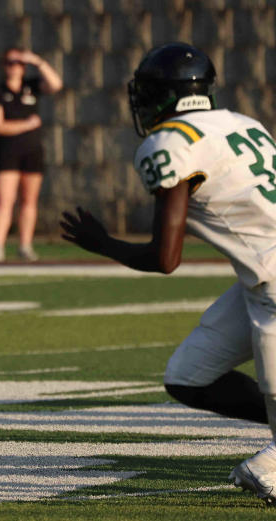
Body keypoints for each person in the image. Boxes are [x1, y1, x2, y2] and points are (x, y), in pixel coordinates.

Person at [60, 42, 276, 504]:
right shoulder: (243, 124)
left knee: (269, 471)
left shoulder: (169, 143)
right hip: (259, 277)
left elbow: (165, 258)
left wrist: (103, 244)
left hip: (272, 279)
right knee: (189, 374)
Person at [0, 48, 62, 262]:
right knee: (4, 200)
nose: (14, 67)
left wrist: (38, 61)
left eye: (19, 63)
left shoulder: (32, 87)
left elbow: (56, 85)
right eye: (10, 63)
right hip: (8, 152)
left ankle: (25, 245)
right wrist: (26, 124)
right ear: (4, 66)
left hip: (32, 151)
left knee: (29, 200)